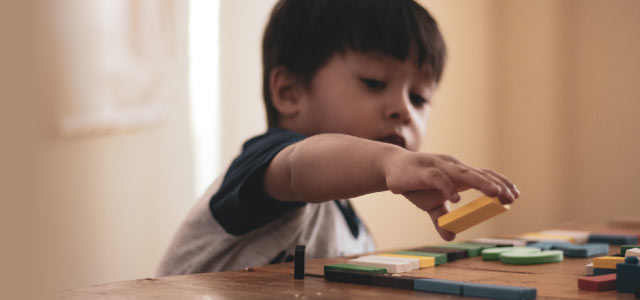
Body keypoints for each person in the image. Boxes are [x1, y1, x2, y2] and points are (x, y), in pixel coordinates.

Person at [157, 0, 519, 276]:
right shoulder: (270, 166)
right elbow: (302, 167)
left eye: (419, 97)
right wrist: (388, 161)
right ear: (290, 91)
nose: (404, 110)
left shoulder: (354, 232)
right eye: (375, 83)